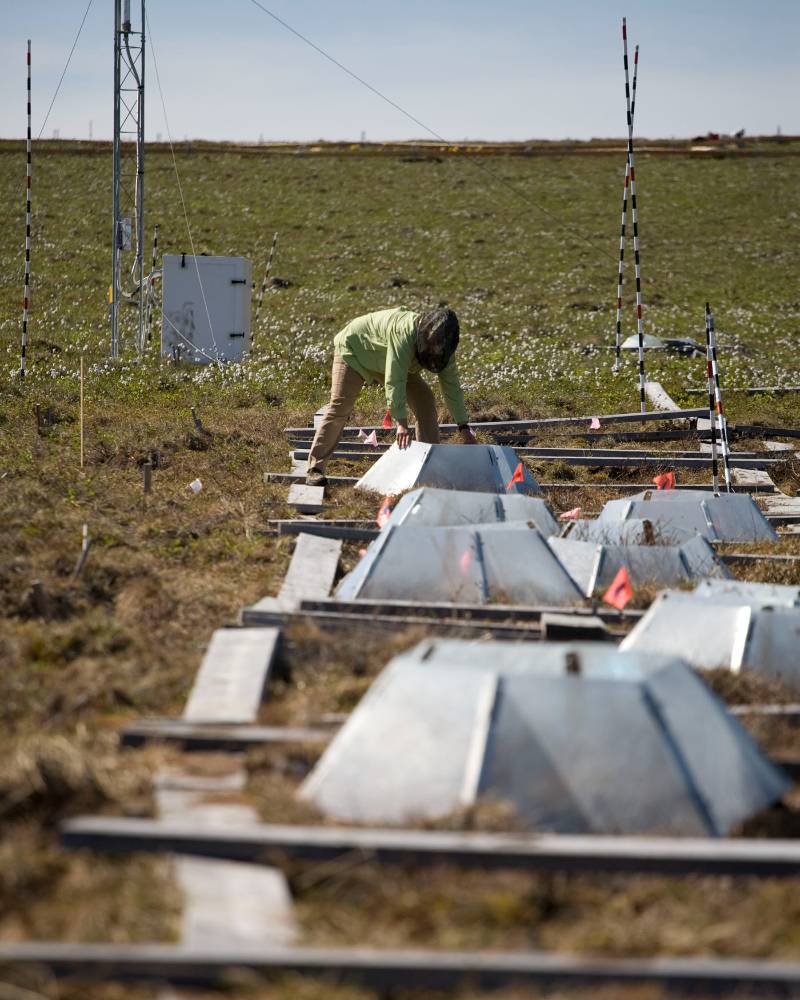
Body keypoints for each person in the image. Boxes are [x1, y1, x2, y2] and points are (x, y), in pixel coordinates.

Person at [305, 306, 477, 486]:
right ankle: (315, 468)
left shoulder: (444, 349)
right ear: (424, 336)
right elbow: (395, 379)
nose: (435, 352)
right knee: (341, 406)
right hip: (355, 349)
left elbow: (452, 388)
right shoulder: (403, 333)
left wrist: (463, 427)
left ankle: (430, 470)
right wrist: (401, 422)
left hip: (387, 360)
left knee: (425, 401)